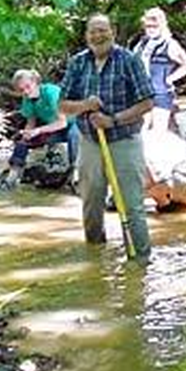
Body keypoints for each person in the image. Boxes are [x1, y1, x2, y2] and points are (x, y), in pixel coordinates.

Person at [59, 14, 154, 263]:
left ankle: (141, 260)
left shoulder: (129, 60)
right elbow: (63, 105)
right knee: (91, 204)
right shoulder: (78, 63)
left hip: (124, 140)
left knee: (131, 204)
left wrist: (113, 120)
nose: (97, 36)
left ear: (113, 31)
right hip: (90, 142)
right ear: (86, 35)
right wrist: (85, 105)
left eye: (102, 30)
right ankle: (96, 260)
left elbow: (147, 102)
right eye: (92, 31)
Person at [0, 68, 79, 191]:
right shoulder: (27, 99)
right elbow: (31, 122)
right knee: (23, 142)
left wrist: (38, 131)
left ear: (36, 82)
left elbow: (62, 122)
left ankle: (76, 173)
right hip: (55, 128)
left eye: (28, 87)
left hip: (74, 123)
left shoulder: (51, 92)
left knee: (74, 136)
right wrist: (27, 134)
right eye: (22, 90)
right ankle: (13, 174)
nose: (26, 92)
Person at [132, 7, 186, 133]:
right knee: (141, 130)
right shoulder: (142, 43)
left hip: (161, 93)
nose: (151, 29)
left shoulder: (170, 44)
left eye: (155, 25)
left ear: (162, 25)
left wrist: (170, 78)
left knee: (158, 131)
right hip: (142, 92)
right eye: (148, 26)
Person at [141, 128, 186, 211]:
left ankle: (166, 208)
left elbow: (159, 178)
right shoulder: (139, 141)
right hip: (179, 182)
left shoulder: (147, 142)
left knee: (155, 183)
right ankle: (168, 206)